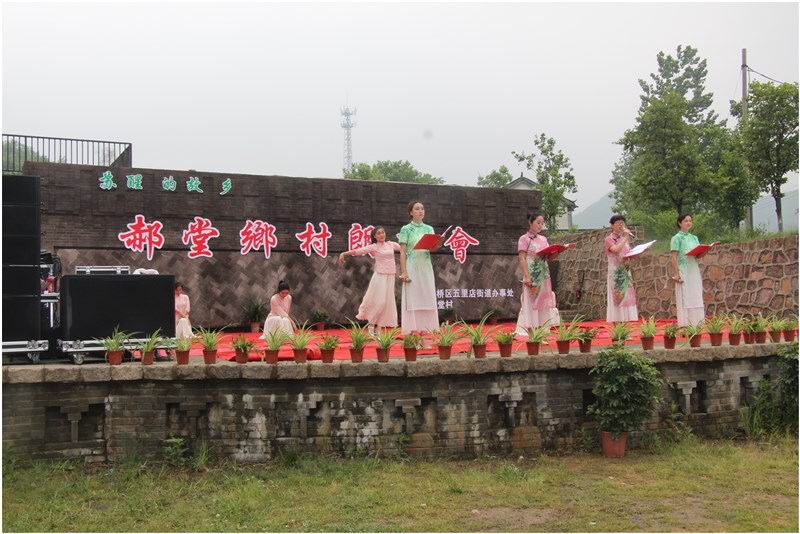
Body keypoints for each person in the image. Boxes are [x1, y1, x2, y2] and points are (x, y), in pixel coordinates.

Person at [339, 226, 401, 335]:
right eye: (378, 233)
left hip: (390, 277)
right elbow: (359, 251)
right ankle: (371, 326)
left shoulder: (391, 244)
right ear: (374, 236)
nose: (381, 235)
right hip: (379, 277)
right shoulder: (374, 247)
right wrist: (344, 253)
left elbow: (404, 248)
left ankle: (379, 329)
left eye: (383, 232)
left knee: (386, 303)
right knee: (379, 301)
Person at [398, 200, 440, 336]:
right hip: (411, 268)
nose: (420, 211)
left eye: (422, 208)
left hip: (425, 268)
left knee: (426, 298)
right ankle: (411, 335)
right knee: (412, 299)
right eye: (417, 209)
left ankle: (425, 333)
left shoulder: (429, 228)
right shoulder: (405, 229)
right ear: (411, 212)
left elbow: (432, 249)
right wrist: (404, 272)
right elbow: (402, 252)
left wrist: (439, 243)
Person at [515, 213, 561, 337]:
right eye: (538, 222)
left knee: (542, 305)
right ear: (530, 223)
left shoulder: (543, 239)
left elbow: (549, 257)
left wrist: (558, 251)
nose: (540, 225)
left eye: (542, 223)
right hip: (531, 275)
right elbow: (522, 258)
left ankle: (540, 335)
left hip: (544, 275)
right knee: (531, 305)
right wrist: (526, 276)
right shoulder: (524, 239)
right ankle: (532, 337)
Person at [671, 213, 706, 326]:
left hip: (693, 269)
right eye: (686, 221)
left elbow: (698, 256)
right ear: (680, 223)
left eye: (690, 220)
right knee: (685, 295)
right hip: (683, 269)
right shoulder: (676, 238)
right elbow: (674, 257)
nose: (688, 223)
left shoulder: (694, 238)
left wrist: (706, 250)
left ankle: (697, 323)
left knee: (695, 294)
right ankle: (685, 324)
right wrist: (676, 273)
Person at [605, 214, 639, 322]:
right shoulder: (608, 239)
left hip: (625, 271)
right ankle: (617, 325)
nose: (621, 225)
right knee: (618, 297)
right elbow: (615, 250)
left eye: (622, 223)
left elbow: (626, 253)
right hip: (616, 272)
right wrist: (625, 238)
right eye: (618, 223)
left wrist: (637, 252)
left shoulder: (624, 239)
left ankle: (626, 325)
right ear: (612, 225)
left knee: (626, 297)